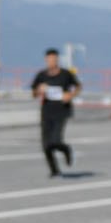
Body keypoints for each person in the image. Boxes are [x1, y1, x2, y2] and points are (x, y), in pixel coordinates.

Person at [31, 47, 82, 175]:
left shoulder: (65, 74)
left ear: (57, 59)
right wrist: (39, 90)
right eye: (49, 59)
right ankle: (54, 170)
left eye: (54, 59)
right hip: (46, 112)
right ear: (46, 60)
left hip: (61, 111)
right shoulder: (41, 75)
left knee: (56, 141)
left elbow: (78, 86)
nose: (51, 62)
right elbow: (34, 93)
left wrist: (70, 95)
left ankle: (66, 149)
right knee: (46, 144)